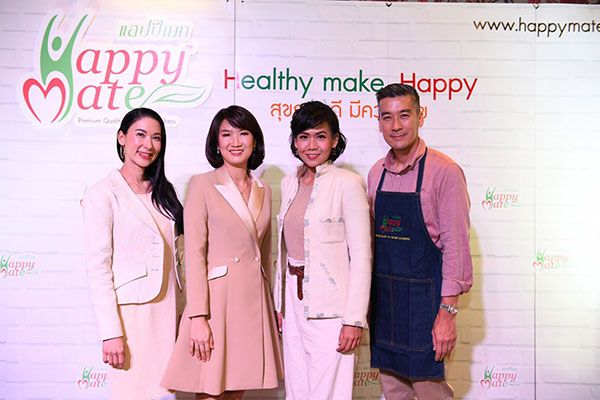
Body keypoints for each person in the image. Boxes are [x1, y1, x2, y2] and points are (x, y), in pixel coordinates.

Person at [161, 105, 283, 400]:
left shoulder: (264, 189)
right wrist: (198, 316)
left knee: (238, 387)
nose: (235, 142)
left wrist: (272, 305)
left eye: (243, 133)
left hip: (252, 302)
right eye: (226, 134)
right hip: (216, 304)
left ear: (254, 140)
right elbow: (194, 255)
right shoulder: (202, 184)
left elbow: (264, 255)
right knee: (211, 389)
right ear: (216, 142)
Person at [368, 83, 474, 400]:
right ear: (379, 122)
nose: (396, 125)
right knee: (393, 393)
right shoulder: (376, 173)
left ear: (420, 115)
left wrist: (447, 314)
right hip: (386, 308)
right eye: (387, 117)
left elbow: (456, 248)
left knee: (431, 393)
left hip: (426, 311)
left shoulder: (444, 172)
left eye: (404, 115)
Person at [83, 107, 184, 400]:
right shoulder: (102, 193)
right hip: (130, 318)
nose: (148, 145)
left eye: (156, 138)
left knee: (167, 394)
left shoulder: (165, 192)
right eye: (140, 135)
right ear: (122, 138)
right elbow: (98, 268)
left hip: (168, 311)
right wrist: (110, 332)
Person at [273, 101, 372, 399]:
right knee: (297, 388)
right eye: (304, 137)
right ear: (294, 141)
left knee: (328, 391)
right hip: (293, 302)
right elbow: (283, 249)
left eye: (320, 136)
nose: (312, 145)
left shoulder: (348, 183)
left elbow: (362, 256)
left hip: (331, 306)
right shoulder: (289, 182)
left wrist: (354, 319)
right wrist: (279, 304)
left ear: (335, 140)